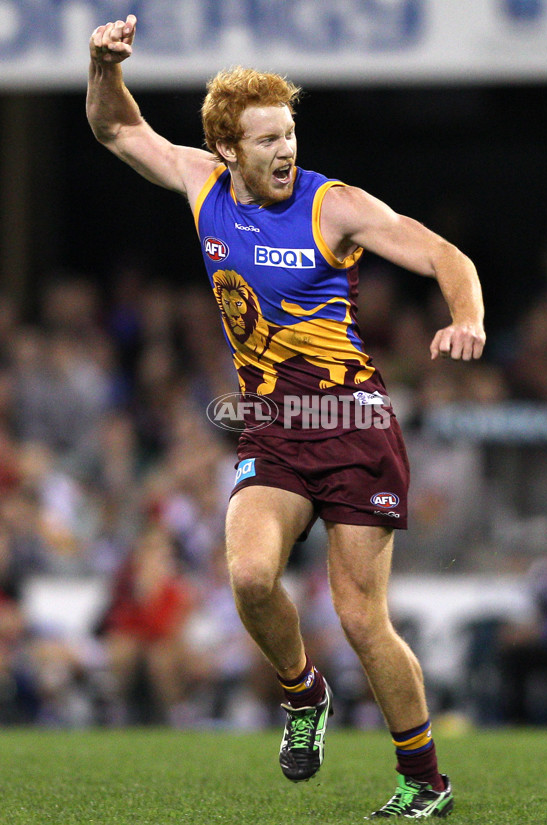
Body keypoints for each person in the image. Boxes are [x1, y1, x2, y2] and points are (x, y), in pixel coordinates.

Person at [87, 14, 485, 819]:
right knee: (247, 574)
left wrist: (466, 315)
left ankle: (426, 781)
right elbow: (117, 127)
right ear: (228, 148)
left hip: (355, 424)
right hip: (274, 423)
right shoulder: (201, 181)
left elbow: (448, 255)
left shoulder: (331, 206)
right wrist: (101, 66)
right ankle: (303, 692)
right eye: (267, 139)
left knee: (360, 616)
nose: (286, 151)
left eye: (290, 134)